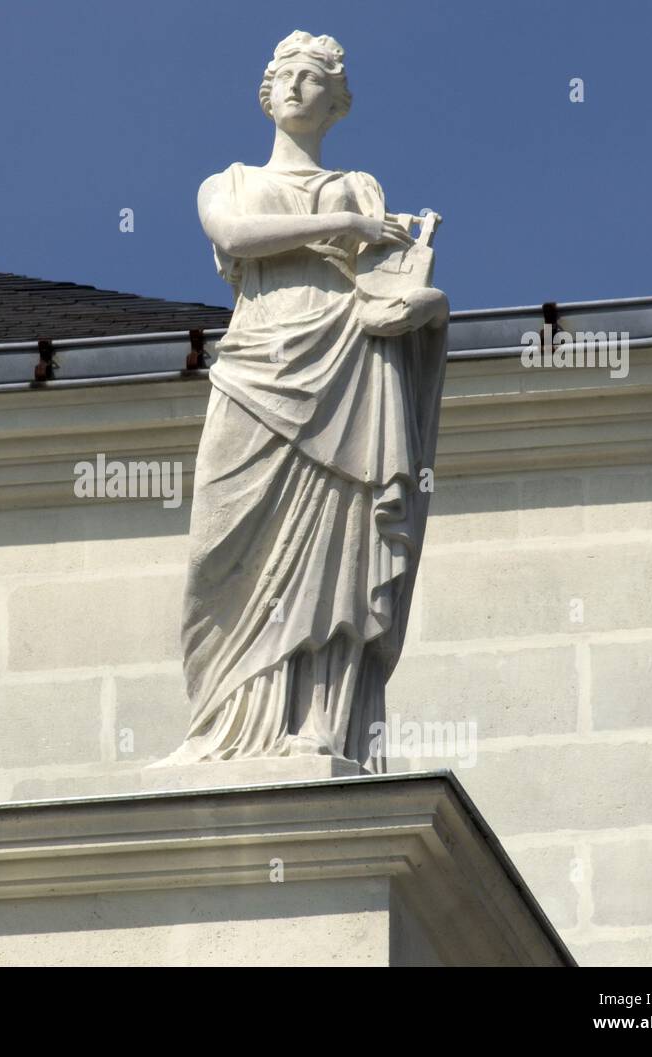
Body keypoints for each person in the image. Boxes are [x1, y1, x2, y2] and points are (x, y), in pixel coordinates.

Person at [167, 30, 449, 770]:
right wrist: (345, 228)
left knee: (340, 543)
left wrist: (423, 304)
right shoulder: (227, 182)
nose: (295, 86)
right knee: (218, 551)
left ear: (337, 100)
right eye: (284, 75)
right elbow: (236, 234)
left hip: (348, 367)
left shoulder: (363, 186)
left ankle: (322, 725)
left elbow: (388, 288)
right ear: (267, 92)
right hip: (257, 366)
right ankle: (227, 720)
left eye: (312, 77)